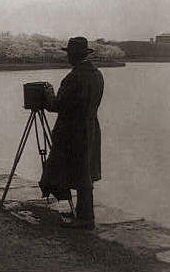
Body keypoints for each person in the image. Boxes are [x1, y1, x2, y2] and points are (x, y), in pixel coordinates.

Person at [40, 36, 104, 230]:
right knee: (84, 173)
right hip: (91, 128)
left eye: (69, 54)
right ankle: (83, 215)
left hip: (71, 133)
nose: (67, 58)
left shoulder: (73, 77)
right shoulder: (97, 75)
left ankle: (80, 217)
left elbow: (57, 105)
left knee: (63, 172)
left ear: (74, 56)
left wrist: (48, 93)